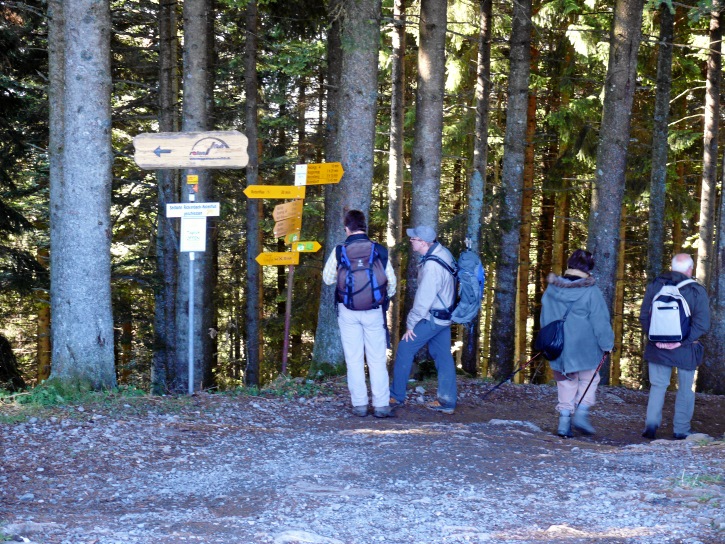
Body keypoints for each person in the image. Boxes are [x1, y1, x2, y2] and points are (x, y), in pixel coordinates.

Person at [322, 210, 397, 418]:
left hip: (348, 311)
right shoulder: (379, 250)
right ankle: (381, 405)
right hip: (374, 311)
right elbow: (391, 282)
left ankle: (360, 405)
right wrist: (382, 299)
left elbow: (328, 279)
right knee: (376, 359)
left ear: (347, 228)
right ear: (365, 226)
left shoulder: (340, 251)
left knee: (354, 359)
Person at [540, 249, 614, 438]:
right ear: (589, 269)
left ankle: (564, 422)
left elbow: (545, 318)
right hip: (585, 347)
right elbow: (601, 322)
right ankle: (581, 413)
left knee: (565, 381)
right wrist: (607, 345)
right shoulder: (591, 291)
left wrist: (548, 341)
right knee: (589, 379)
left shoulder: (552, 289)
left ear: (569, 265)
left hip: (558, 346)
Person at [639, 253, 710, 440]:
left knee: (658, 386)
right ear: (690, 269)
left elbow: (644, 317)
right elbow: (702, 324)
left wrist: (656, 339)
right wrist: (682, 341)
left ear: (672, 267)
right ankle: (681, 430)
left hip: (657, 348)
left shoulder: (656, 285)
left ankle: (651, 427)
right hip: (686, 349)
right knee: (685, 388)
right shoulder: (696, 290)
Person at [390, 225, 458, 414]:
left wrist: (411, 324)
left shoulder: (432, 266)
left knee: (405, 348)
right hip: (444, 316)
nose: (411, 241)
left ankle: (396, 396)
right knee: (443, 356)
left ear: (424, 243)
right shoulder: (443, 253)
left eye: (414, 239)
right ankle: (447, 401)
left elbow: (423, 300)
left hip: (433, 318)